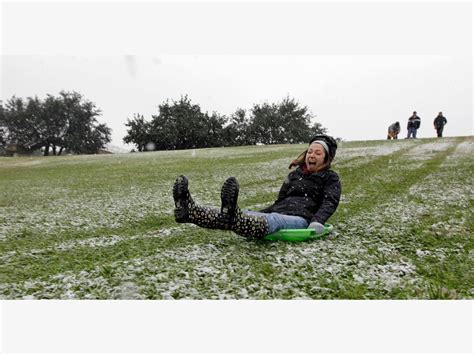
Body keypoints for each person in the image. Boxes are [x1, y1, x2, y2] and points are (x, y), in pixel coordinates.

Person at [172, 134, 342, 240]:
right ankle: (190, 212)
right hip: (279, 212)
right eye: (310, 151)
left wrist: (317, 222)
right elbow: (281, 201)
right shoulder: (294, 175)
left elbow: (330, 202)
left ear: (326, 159)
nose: (312, 155)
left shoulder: (329, 177)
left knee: (273, 220)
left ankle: (235, 215)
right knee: (242, 215)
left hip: (301, 220)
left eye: (318, 153)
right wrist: (261, 212)